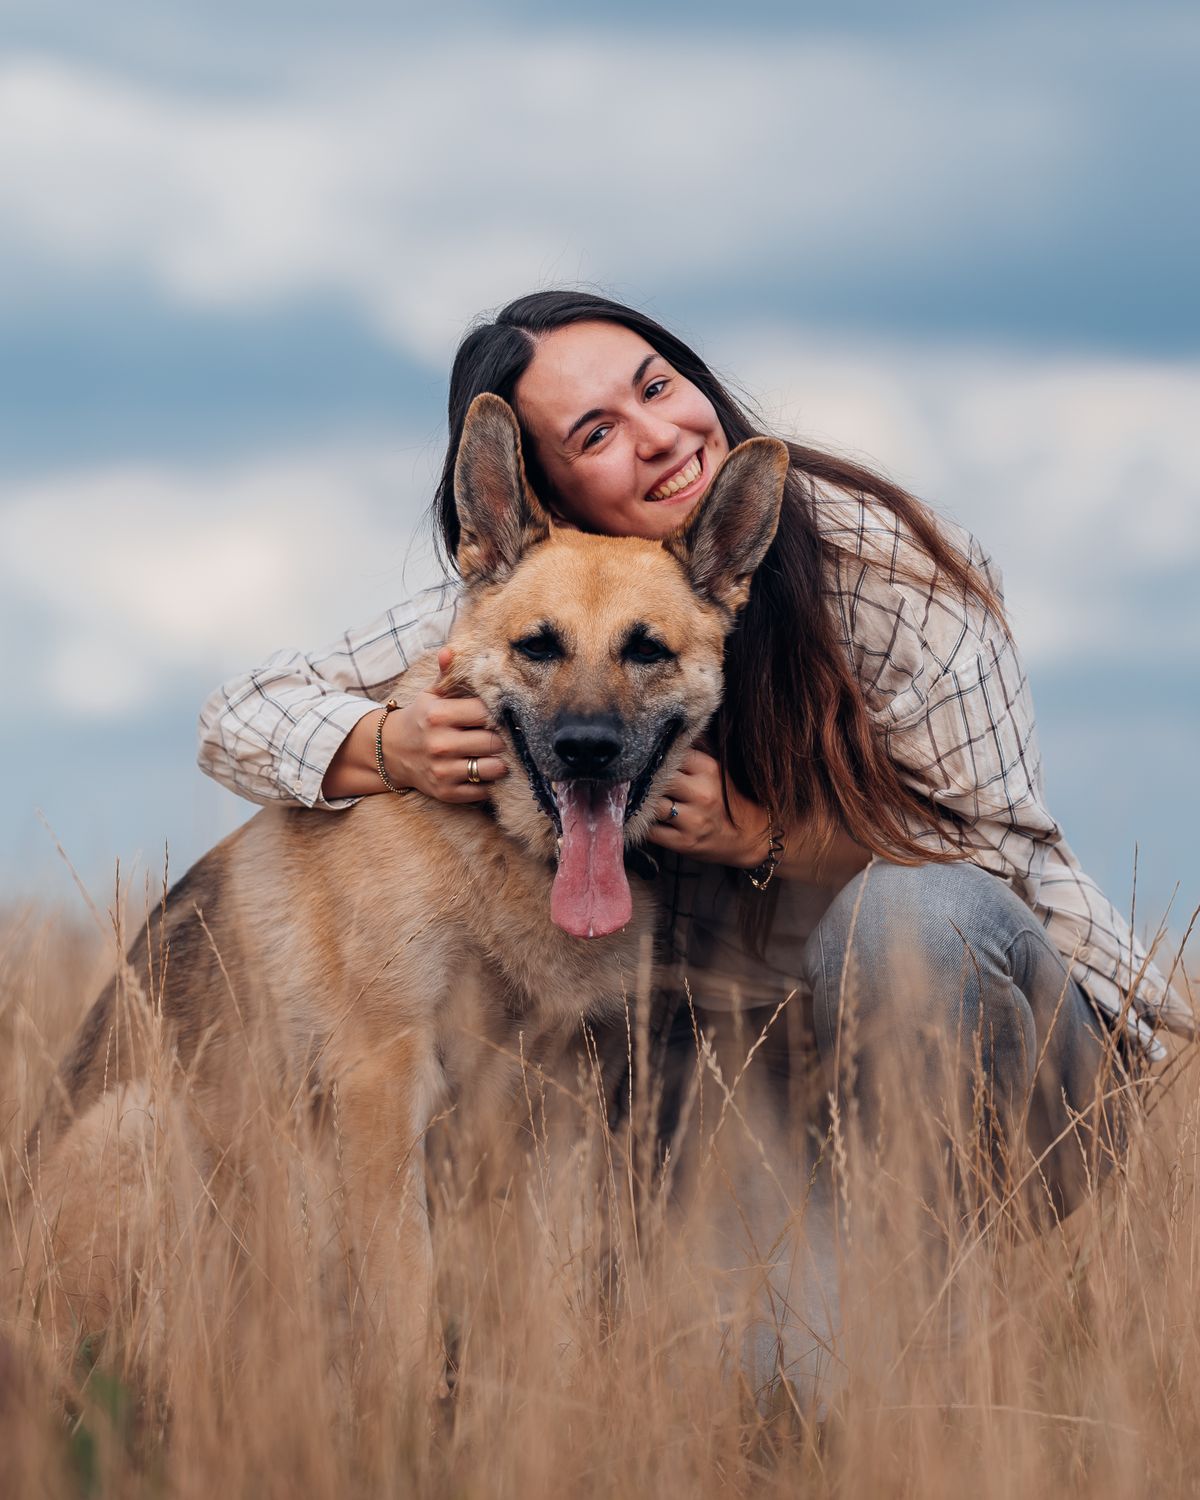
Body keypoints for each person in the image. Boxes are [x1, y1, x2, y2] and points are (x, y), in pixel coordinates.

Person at [198, 290, 1190, 1402]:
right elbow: (242, 711)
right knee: (752, 1398)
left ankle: (939, 1366)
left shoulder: (899, 582)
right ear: (547, 494)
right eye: (595, 433)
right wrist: (389, 741)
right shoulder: (540, 588)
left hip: (1028, 1067)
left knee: (908, 925)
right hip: (775, 1072)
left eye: (656, 385)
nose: (658, 432)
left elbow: (996, 869)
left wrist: (768, 838)